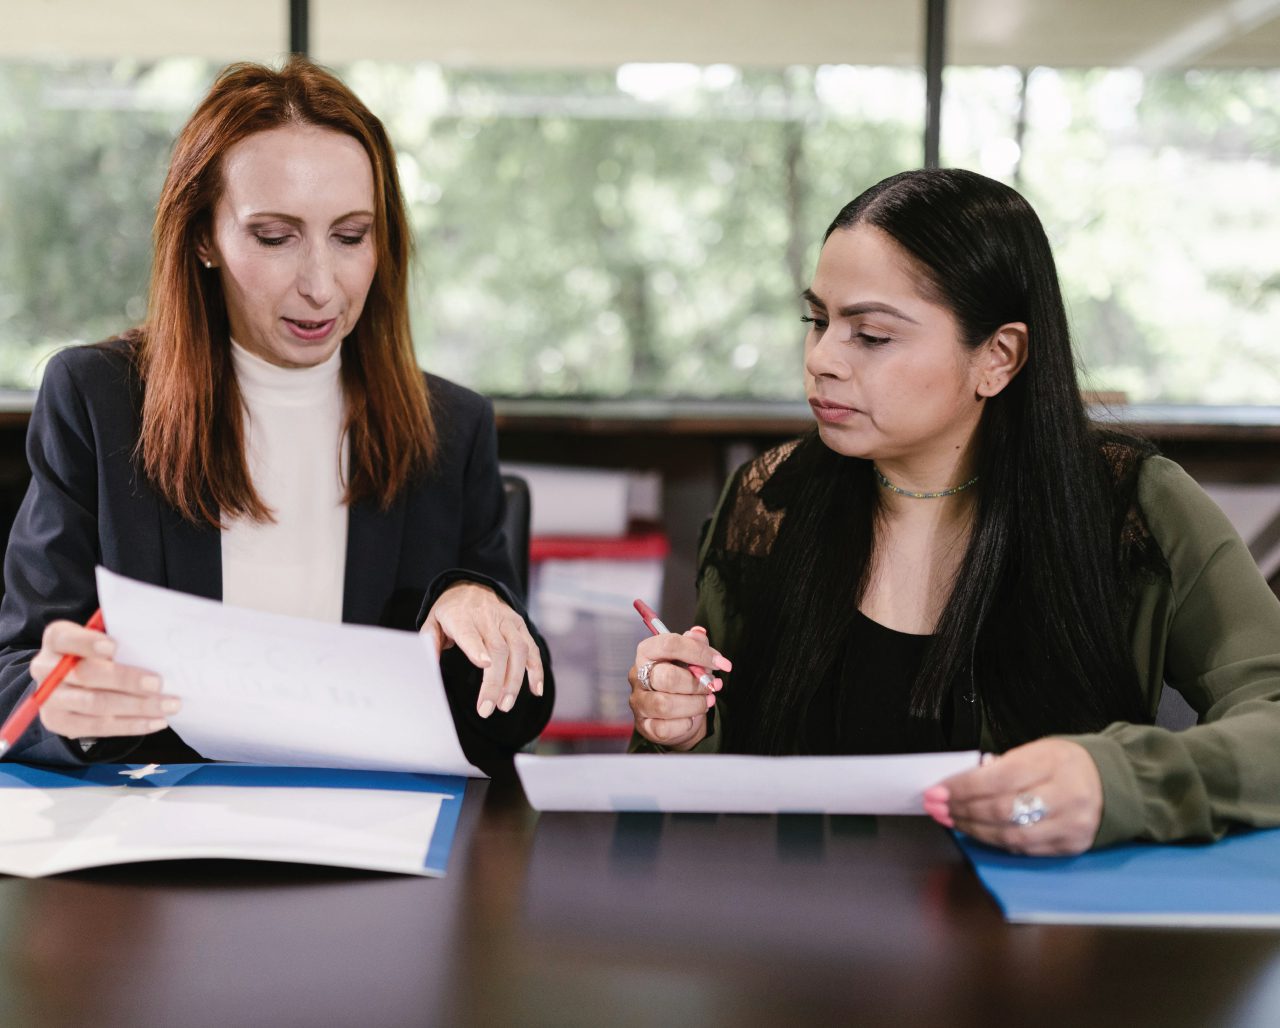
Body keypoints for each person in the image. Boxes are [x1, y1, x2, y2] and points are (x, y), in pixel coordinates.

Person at [628, 168, 1280, 855]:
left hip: (1040, 916)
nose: (822, 359)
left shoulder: (1134, 506)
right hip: (804, 911)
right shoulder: (769, 500)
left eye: (870, 334)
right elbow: (721, 779)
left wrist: (1113, 781)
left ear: (998, 357)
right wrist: (682, 727)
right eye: (817, 321)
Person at [0, 58, 552, 770]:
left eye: (350, 237)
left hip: (367, 823)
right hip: (161, 820)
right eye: (274, 237)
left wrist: (477, 609)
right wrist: (62, 707)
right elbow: (16, 675)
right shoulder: (98, 400)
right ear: (203, 238)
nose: (320, 286)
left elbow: (511, 722)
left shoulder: (450, 428)